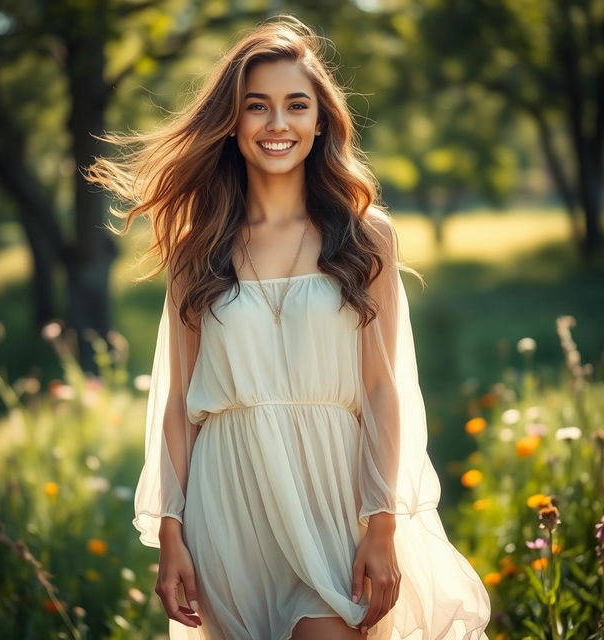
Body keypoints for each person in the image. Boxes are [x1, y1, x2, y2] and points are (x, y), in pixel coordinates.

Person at [84, 14, 491, 640]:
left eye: (296, 105)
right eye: (257, 107)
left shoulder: (364, 235)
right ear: (233, 122)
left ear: (320, 119)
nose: (278, 124)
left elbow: (384, 390)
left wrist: (381, 525)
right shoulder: (198, 249)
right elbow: (176, 404)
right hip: (230, 505)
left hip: (333, 500)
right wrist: (170, 534)